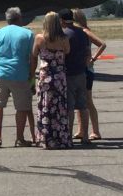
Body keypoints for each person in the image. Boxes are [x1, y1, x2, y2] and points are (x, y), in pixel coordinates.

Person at [0, 6, 36, 148]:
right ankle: (20, 138)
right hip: (20, 75)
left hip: (2, 74)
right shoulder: (28, 34)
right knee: (21, 108)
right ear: (19, 18)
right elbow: (33, 57)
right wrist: (32, 75)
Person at [31, 12, 72, 149]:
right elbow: (67, 52)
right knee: (60, 107)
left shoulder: (40, 38)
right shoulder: (64, 38)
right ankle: (61, 137)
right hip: (59, 77)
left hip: (45, 76)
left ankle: (45, 138)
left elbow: (34, 54)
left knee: (45, 106)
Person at [71, 8, 106, 140]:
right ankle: (81, 130)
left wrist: (93, 59)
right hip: (80, 69)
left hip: (87, 70)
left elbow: (102, 44)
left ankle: (95, 130)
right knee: (79, 101)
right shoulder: (78, 32)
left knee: (87, 101)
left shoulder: (85, 31)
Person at [58, 8, 91, 145]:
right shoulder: (83, 33)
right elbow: (88, 53)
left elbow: (63, 55)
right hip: (81, 72)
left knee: (70, 107)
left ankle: (69, 135)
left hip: (69, 74)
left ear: (61, 20)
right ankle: (85, 135)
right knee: (83, 106)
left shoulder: (64, 35)